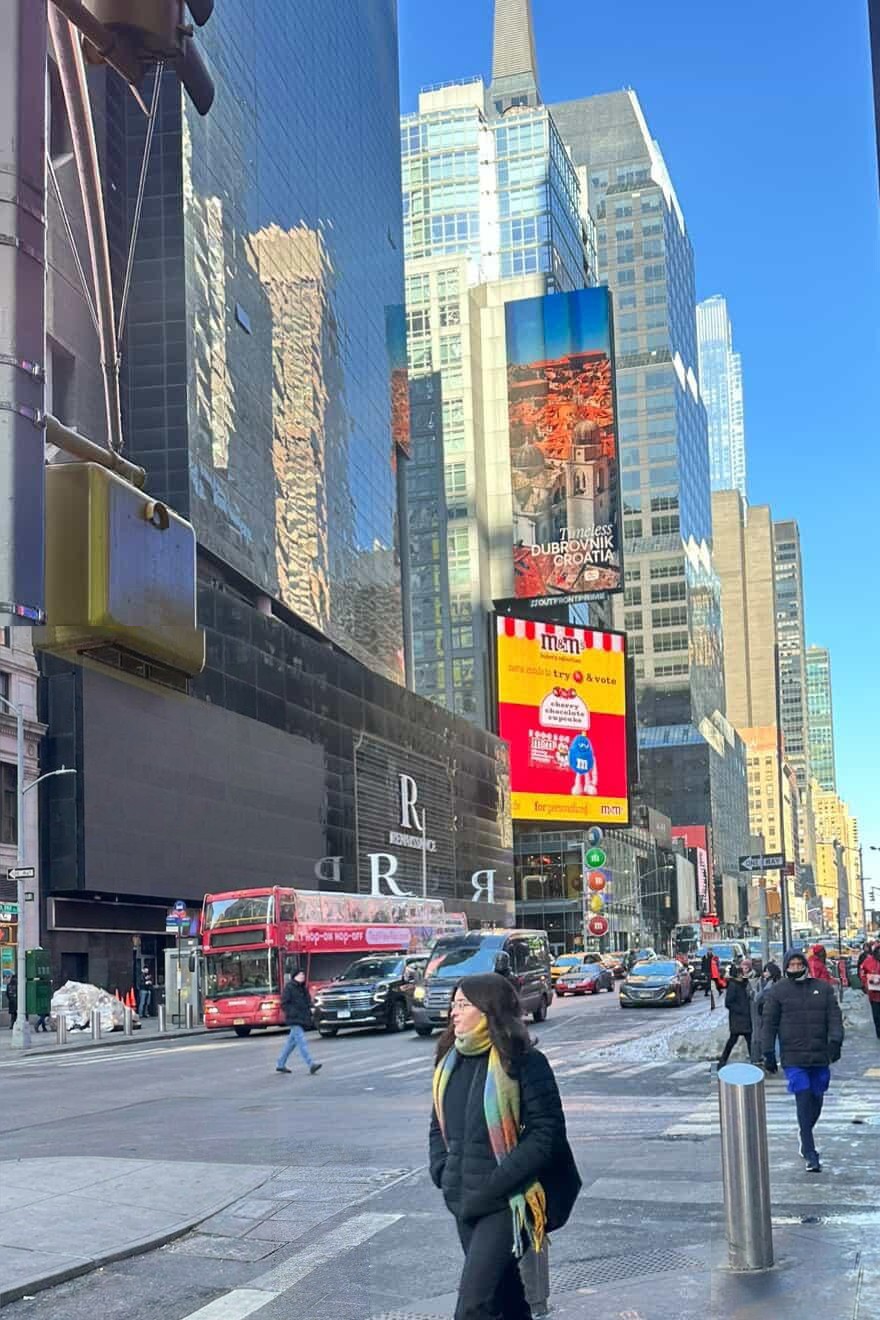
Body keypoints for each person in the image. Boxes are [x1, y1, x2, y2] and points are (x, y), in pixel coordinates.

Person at [429, 973, 581, 1320]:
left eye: (463, 1004)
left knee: (473, 1306)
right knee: (505, 1295)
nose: (454, 1011)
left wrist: (498, 1181)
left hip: (508, 1201)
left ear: (489, 1010)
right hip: (463, 1197)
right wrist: (440, 1168)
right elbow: (438, 1125)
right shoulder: (450, 1060)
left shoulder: (524, 1062)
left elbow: (546, 1134)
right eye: (454, 1003)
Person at [761, 948, 844, 1173]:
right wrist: (767, 1052)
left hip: (819, 1055)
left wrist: (835, 1041)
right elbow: (769, 1024)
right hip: (793, 1057)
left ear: (805, 965)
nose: (796, 968)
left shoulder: (822, 989)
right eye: (792, 965)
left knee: (816, 1098)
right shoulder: (778, 991)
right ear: (786, 967)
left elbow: (834, 1017)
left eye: (799, 964)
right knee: (803, 1095)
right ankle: (810, 1151)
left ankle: (804, 1130)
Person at [276, 970, 322, 1077]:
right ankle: (311, 1064)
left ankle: (280, 1063)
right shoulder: (289, 988)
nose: (302, 976)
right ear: (294, 976)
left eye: (303, 974)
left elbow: (307, 1001)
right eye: (300, 975)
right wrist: (293, 1012)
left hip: (302, 1018)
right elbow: (284, 1003)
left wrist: (312, 1008)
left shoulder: (302, 988)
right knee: (302, 1042)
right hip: (294, 1019)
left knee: (291, 1043)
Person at [718, 963, 752, 1067]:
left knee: (749, 1039)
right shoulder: (733, 985)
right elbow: (728, 1003)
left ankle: (754, 1060)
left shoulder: (744, 984)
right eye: (740, 974)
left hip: (745, 1017)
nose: (742, 975)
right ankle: (722, 1061)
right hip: (738, 1018)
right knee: (734, 1040)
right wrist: (741, 1010)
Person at [858, 940, 880, 1040]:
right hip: (874, 994)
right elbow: (862, 972)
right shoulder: (868, 961)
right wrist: (865, 983)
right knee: (877, 1015)